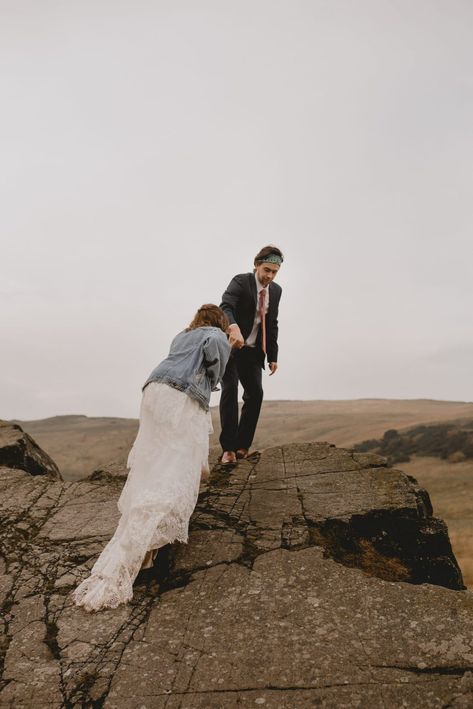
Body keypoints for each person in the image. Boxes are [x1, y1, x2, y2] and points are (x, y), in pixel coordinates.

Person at [72, 304, 231, 612]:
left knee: (156, 462)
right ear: (219, 322)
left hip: (154, 390)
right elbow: (214, 352)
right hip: (181, 395)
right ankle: (147, 541)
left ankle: (141, 545)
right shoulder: (215, 334)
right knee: (174, 465)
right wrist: (216, 371)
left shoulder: (182, 335)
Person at [219, 246, 283, 464]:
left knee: (255, 394)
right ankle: (227, 450)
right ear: (256, 264)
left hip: (254, 352)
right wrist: (233, 327)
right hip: (232, 347)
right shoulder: (240, 281)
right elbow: (225, 306)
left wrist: (272, 356)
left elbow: (272, 323)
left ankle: (242, 447)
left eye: (275, 272)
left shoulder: (276, 291)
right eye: (267, 270)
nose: (270, 276)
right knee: (230, 388)